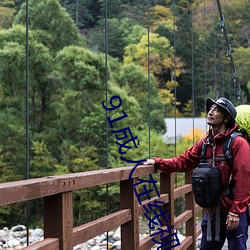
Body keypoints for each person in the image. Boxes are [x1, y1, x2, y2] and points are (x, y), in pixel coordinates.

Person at [143, 97, 250, 250]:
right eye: (210, 109)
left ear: (227, 118)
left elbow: (244, 180)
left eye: (216, 110)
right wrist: (158, 162)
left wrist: (236, 212)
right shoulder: (205, 143)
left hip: (233, 212)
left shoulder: (239, 144)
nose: (210, 112)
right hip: (213, 211)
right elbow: (183, 161)